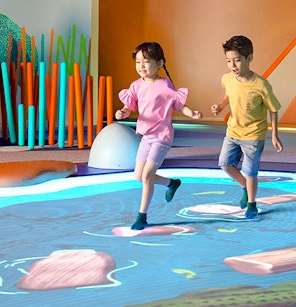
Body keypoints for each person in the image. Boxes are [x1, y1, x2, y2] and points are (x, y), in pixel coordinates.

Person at [116, 41, 202, 230]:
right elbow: (129, 106)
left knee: (147, 175)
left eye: (146, 61)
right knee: (139, 176)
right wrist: (122, 112)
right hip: (145, 137)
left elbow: (179, 105)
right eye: (138, 62)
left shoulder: (165, 85)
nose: (141, 66)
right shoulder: (136, 86)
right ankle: (172, 183)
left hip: (162, 136)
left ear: (160, 63)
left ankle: (142, 216)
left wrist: (192, 113)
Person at [209, 35, 283, 219]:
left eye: (237, 60)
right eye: (228, 61)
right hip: (233, 131)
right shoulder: (227, 79)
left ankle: (251, 204)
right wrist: (220, 106)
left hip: (253, 135)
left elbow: (273, 109)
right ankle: (244, 187)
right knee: (225, 164)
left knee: (250, 171)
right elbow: (229, 94)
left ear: (249, 58)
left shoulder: (261, 85)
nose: (232, 65)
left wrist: (274, 135)